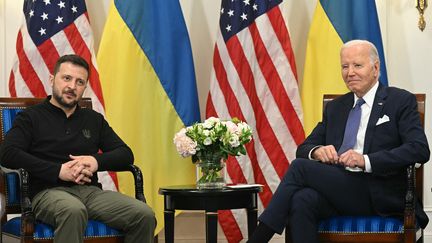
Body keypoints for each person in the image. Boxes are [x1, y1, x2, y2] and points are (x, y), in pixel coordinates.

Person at [248, 40, 430, 243]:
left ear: (376, 68)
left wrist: (365, 160)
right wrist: (317, 150)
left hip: (379, 192)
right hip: (340, 190)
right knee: (302, 200)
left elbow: (419, 149)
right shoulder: (336, 108)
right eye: (345, 66)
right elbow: (304, 147)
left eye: (357, 65)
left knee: (300, 168)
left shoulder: (400, 101)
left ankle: (257, 239)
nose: (350, 72)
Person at [0, 54, 156, 243]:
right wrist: (59, 171)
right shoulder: (31, 117)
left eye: (79, 82)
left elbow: (125, 154)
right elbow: (7, 153)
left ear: (85, 87)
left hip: (90, 193)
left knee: (144, 214)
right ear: (52, 79)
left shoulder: (93, 119)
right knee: (73, 210)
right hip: (47, 192)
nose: (72, 87)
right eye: (66, 78)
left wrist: (94, 161)